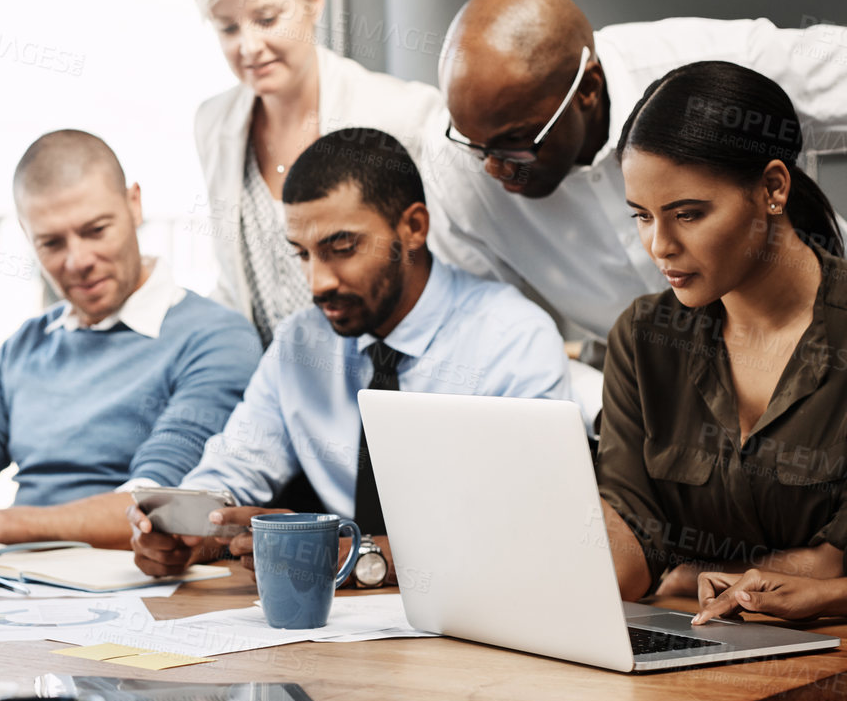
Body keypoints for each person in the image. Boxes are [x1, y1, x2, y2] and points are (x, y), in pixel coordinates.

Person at [587, 62, 847, 621]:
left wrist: (690, 575)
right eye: (642, 216)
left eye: (688, 214)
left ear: (772, 188)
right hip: (698, 644)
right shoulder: (644, 339)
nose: (659, 245)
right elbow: (633, 558)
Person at [427, 0, 847, 345]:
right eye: (476, 146)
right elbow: (494, 342)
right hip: (662, 407)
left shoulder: (718, 65)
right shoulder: (458, 167)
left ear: (588, 89)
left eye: (518, 142)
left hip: (843, 346)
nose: (494, 169)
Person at [131, 128, 573, 584]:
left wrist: (358, 555)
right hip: (335, 625)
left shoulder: (514, 340)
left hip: (479, 613)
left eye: (342, 249)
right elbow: (235, 465)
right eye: (302, 254)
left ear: (414, 227)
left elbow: (529, 526)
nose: (318, 282)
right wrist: (189, 531)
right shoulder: (301, 344)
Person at [0, 130, 261, 569]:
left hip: (138, 591)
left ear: (134, 203)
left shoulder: (216, 338)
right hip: (16, 587)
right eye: (51, 243)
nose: (77, 260)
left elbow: (152, 508)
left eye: (96, 230)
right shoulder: (27, 345)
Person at [191, 0, 445, 348]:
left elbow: (450, 265)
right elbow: (238, 282)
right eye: (228, 28)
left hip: (388, 371)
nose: (249, 47)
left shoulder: (404, 114)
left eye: (267, 18)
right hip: (275, 382)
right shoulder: (214, 123)